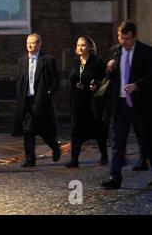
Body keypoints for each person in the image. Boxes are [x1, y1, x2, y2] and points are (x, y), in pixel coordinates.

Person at [101, 21, 152, 189]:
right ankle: (115, 178)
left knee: (146, 141)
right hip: (121, 104)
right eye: (120, 38)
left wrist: (137, 85)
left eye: (127, 38)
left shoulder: (146, 52)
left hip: (140, 105)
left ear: (135, 36)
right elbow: (110, 79)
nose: (123, 42)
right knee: (118, 141)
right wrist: (109, 69)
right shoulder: (115, 51)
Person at [12, 33, 61, 167]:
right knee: (28, 130)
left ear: (39, 44)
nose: (30, 45)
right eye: (28, 43)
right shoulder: (22, 61)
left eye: (33, 43)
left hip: (41, 100)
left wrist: (49, 93)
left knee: (43, 130)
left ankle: (55, 147)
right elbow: (19, 80)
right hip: (27, 101)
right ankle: (30, 159)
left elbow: (56, 79)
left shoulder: (48, 60)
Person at [66, 36, 108, 168]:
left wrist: (96, 84)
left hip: (92, 102)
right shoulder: (74, 61)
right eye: (78, 45)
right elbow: (72, 78)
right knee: (75, 130)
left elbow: (105, 79)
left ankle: (104, 155)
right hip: (77, 102)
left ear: (90, 47)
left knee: (98, 130)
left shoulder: (98, 62)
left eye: (83, 45)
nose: (80, 47)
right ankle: (74, 159)